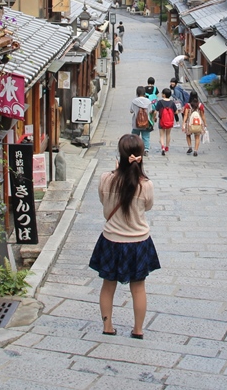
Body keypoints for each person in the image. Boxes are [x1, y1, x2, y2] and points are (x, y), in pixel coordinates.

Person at [89, 134, 159, 339]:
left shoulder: (106, 179)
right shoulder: (146, 185)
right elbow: (148, 206)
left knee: (107, 285)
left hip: (111, 239)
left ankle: (107, 326)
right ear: (140, 157)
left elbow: (104, 203)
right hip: (138, 241)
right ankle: (138, 329)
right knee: (138, 287)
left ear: (120, 156)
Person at [130, 86, 154, 154]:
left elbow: (131, 110)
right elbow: (150, 111)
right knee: (146, 136)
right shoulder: (148, 101)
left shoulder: (134, 101)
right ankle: (146, 149)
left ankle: (134, 148)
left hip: (136, 122)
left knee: (135, 136)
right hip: (146, 122)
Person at [154, 88, 178, 155]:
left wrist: (154, 118)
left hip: (162, 120)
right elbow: (176, 112)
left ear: (164, 95)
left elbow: (155, 112)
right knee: (168, 134)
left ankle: (162, 147)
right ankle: (167, 147)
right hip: (169, 121)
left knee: (162, 135)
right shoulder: (172, 103)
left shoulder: (160, 102)